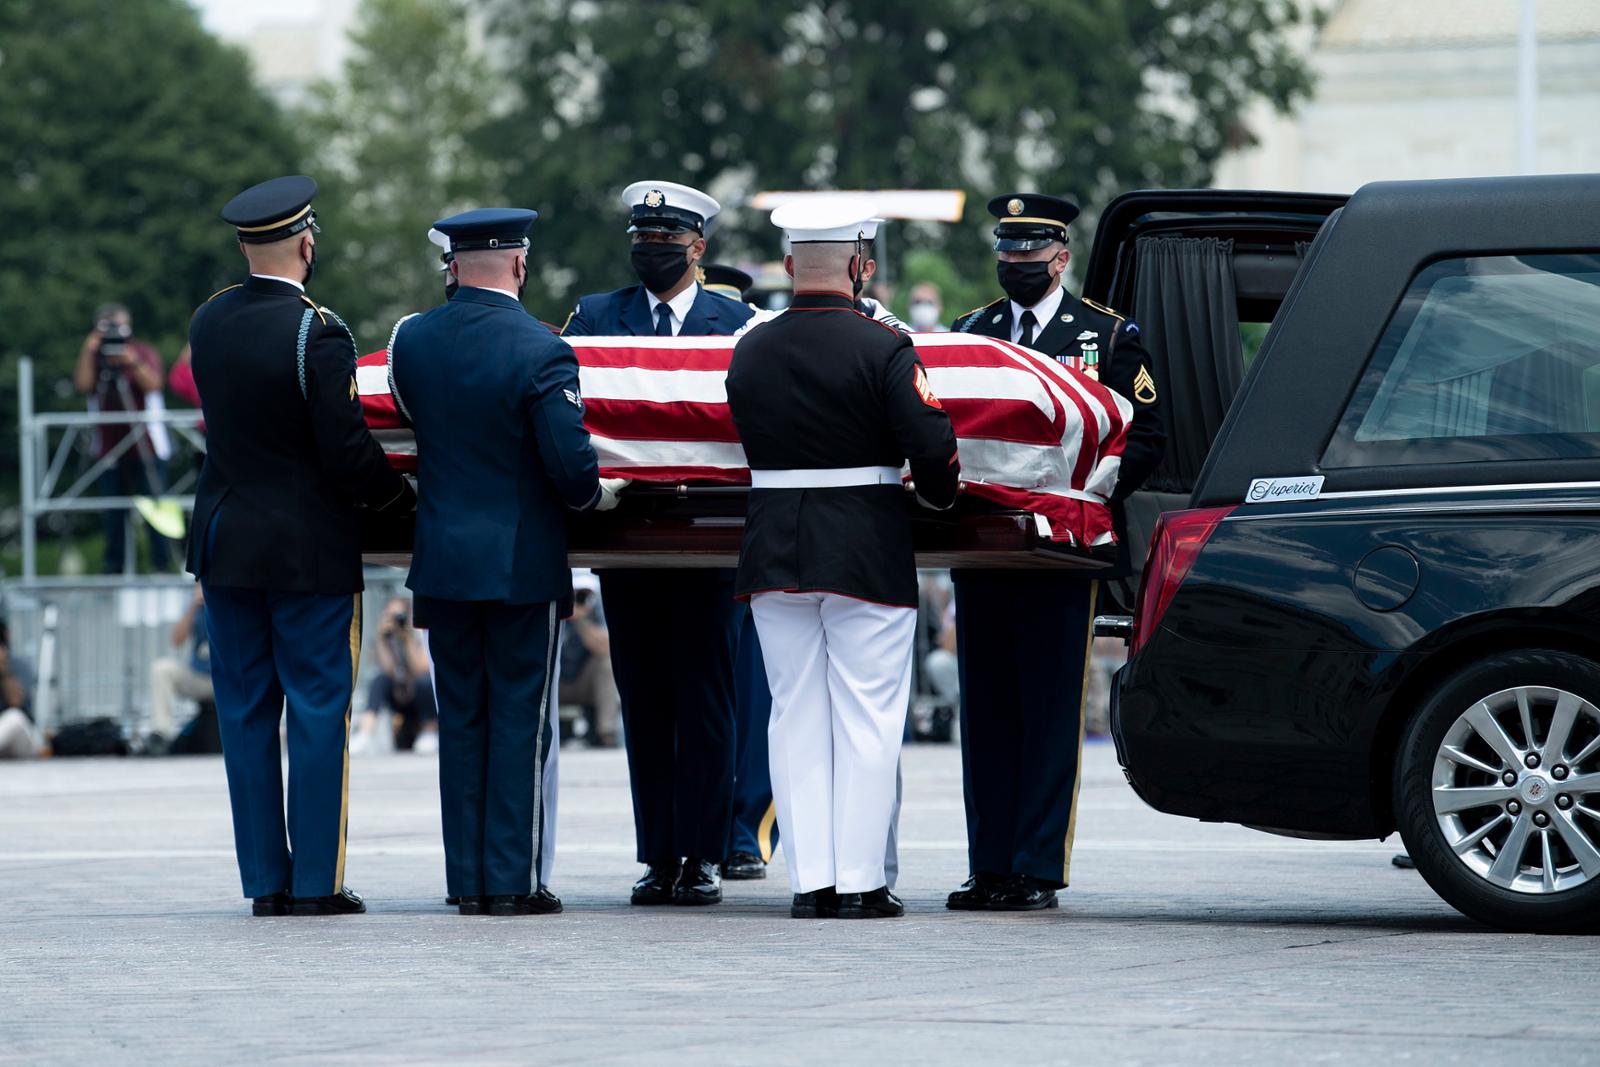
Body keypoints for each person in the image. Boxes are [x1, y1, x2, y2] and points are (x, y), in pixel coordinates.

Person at [725, 198, 960, 919]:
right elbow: (933, 445)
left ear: (789, 264)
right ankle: (860, 881)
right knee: (867, 714)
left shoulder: (750, 348)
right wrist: (940, 496)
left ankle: (812, 882)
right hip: (863, 545)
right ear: (860, 265)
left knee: (794, 714)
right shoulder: (884, 347)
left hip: (773, 546)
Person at [189, 174, 417, 917]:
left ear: (245, 246)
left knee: (246, 714)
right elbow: (346, 451)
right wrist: (400, 500)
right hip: (304, 548)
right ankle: (316, 881)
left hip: (225, 542)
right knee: (317, 711)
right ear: (307, 243)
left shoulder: (209, 319)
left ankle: (266, 882)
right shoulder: (316, 331)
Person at [945, 193, 1165, 912]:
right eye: (1006, 251)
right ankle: (988, 864)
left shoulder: (1107, 334)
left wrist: (1085, 494)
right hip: (987, 545)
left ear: (1061, 257)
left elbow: (1148, 435)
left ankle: (1035, 866)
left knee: (1046, 705)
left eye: (1030, 253)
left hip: (1065, 551)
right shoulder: (971, 332)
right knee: (986, 708)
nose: (1015, 263)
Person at [391, 207, 605, 917]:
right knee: (520, 720)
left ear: (453, 267)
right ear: (519, 263)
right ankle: (512, 879)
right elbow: (571, 468)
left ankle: (469, 879)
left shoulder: (411, 341)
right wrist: (598, 494)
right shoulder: (542, 348)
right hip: (520, 562)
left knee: (462, 720)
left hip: (443, 560)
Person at [562, 180, 754, 906]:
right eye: (642, 238)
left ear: (697, 246)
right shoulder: (595, 315)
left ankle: (703, 853)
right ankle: (658, 853)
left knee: (706, 696)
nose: (652, 249)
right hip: (629, 534)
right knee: (644, 697)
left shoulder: (735, 322)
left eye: (667, 239)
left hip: (709, 536)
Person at [74, 303, 174, 573]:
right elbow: (83, 385)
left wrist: (132, 361)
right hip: (109, 448)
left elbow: (154, 385)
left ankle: (161, 566)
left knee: (155, 509)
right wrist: (89, 350)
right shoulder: (96, 356)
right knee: (113, 513)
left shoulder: (141, 351)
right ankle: (113, 569)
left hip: (148, 446)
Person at [362, 597, 437, 753]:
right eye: (390, 616)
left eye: (399, 616)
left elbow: (421, 669)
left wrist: (407, 639)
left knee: (423, 681)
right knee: (379, 680)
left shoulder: (418, 634)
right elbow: (387, 670)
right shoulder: (387, 638)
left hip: (420, 693)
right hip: (399, 692)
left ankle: (429, 732)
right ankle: (365, 734)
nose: (395, 622)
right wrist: (381, 640)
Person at [147, 586, 213, 746]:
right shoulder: (194, 600)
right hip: (198, 674)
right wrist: (193, 606)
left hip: (226, 678)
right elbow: (176, 640)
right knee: (161, 669)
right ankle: (161, 733)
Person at [558, 582, 620, 748]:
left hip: (582, 681)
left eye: (584, 595)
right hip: (556, 682)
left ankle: (607, 733)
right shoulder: (553, 607)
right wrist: (563, 611)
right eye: (576, 594)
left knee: (606, 664)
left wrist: (581, 620)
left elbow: (607, 648)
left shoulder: (595, 611)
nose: (579, 599)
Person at [0, 622, 38, 760]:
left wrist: (3, 669)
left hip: (21, 737)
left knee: (14, 717)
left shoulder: (19, 665)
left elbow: (16, 701)